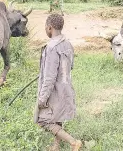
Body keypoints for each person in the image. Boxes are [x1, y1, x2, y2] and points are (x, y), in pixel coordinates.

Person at [34, 14, 81, 151]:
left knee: (42, 120)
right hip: (66, 88)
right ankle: (56, 146)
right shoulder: (67, 44)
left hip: (54, 91)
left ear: (49, 27)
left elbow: (49, 78)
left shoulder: (51, 48)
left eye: (45, 27)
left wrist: (42, 99)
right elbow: (70, 66)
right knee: (57, 116)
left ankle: (73, 142)